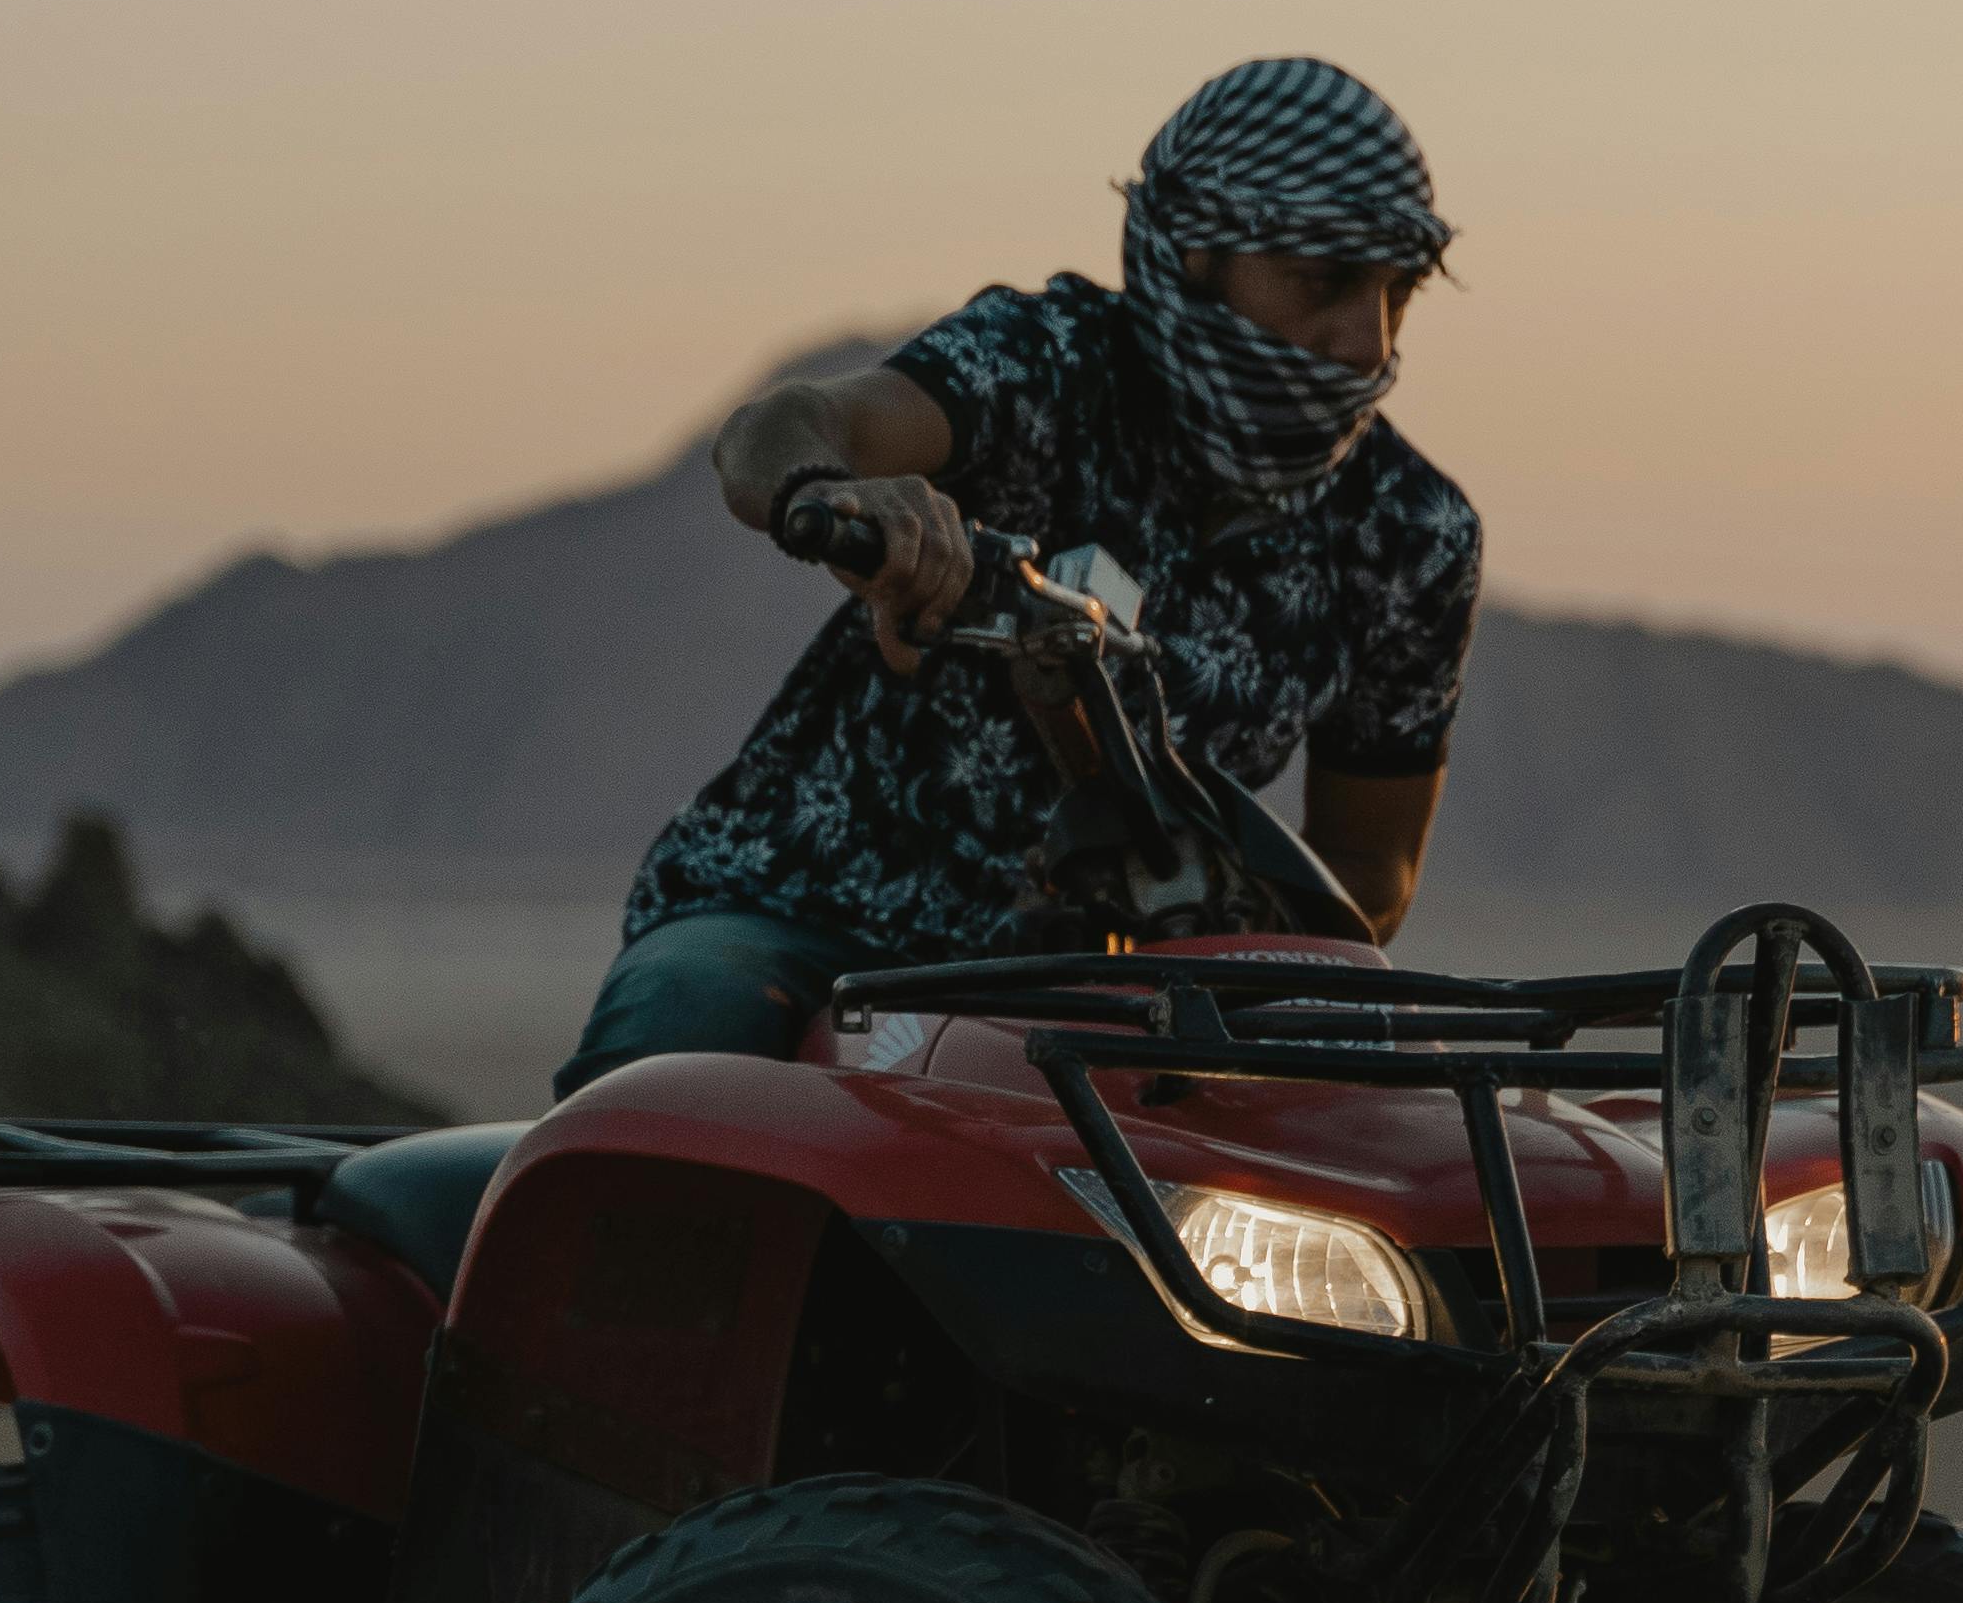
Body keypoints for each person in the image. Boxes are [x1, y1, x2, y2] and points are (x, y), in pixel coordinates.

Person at [560, 56, 1481, 1095]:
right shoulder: (1044, 369)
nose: (1367, 341)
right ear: (1189, 253)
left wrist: (1212, 932)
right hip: (804, 916)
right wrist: (842, 496)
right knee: (668, 1089)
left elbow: (1368, 875)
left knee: (1415, 1147)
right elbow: (781, 428)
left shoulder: (1408, 532)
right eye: (1322, 281)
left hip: (1103, 997)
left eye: (1396, 289)